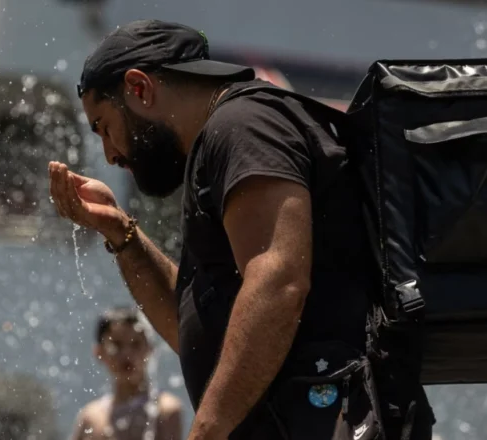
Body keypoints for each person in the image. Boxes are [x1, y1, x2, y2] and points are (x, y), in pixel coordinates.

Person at [49, 19, 434, 439]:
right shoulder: (219, 145)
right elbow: (195, 331)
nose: (109, 155)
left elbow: (278, 282)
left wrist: (205, 432)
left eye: (105, 127)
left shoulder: (243, 127)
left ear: (139, 89)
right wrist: (122, 233)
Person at [69, 306, 183, 440]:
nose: (127, 354)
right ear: (99, 352)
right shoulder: (90, 418)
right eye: (116, 345)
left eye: (136, 344)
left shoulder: (165, 411)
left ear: (150, 349)